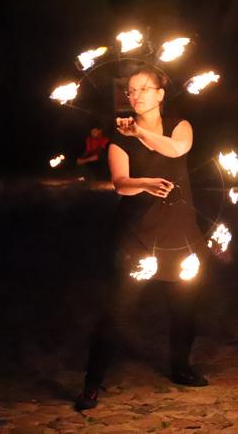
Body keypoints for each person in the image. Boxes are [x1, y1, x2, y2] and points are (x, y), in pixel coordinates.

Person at [75, 66, 208, 410]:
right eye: (131, 91)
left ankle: (181, 368)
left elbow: (177, 150)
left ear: (160, 94)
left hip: (179, 231)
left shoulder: (179, 126)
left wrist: (140, 133)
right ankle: (91, 384)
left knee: (184, 307)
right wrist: (146, 183)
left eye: (143, 89)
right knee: (117, 311)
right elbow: (121, 183)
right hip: (138, 234)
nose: (135, 96)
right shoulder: (119, 137)